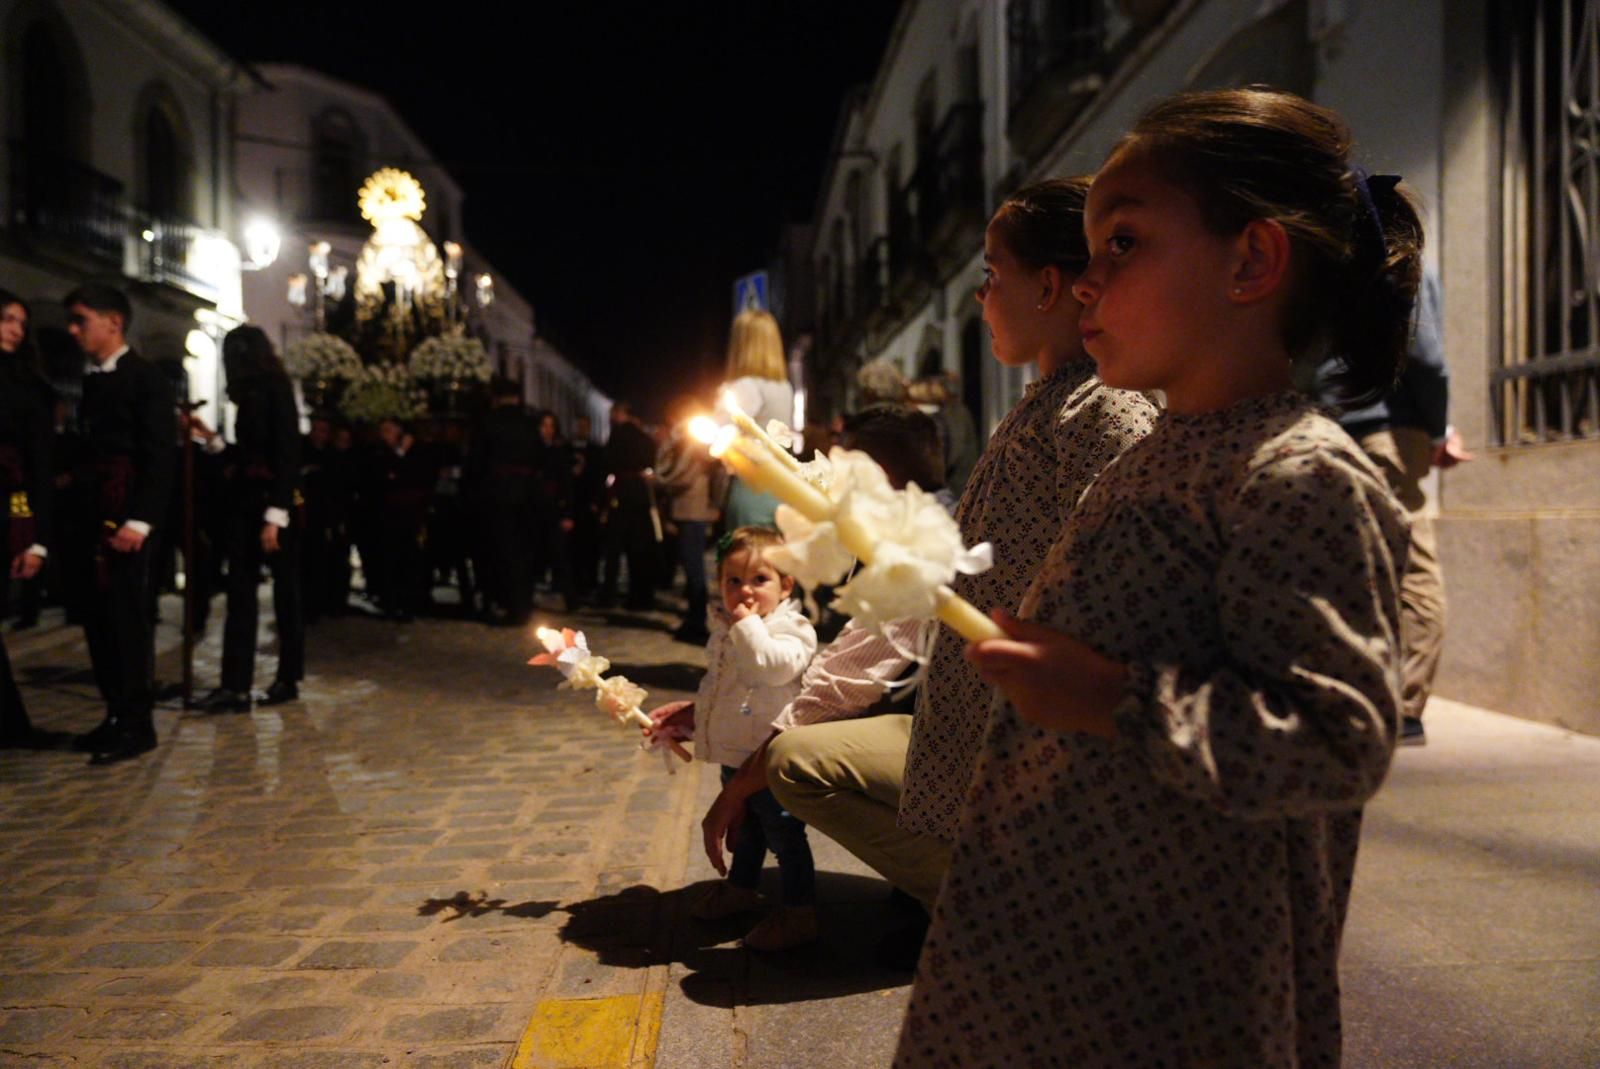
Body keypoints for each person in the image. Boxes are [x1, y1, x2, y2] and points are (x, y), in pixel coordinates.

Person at [893, 88, 1417, 1069]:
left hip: (1172, 983)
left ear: (1251, 260)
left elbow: (1338, 739)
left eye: (1123, 244)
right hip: (1065, 944)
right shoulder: (1159, 450)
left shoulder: (1293, 472)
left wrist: (1112, 696)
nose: (1084, 283)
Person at [707, 181, 1159, 970]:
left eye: (991, 273)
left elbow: (1118, 608)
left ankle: (983, 901)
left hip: (1025, 758)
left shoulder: (1101, 412)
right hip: (975, 740)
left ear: (1048, 286)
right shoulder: (1036, 409)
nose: (981, 295)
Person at [1312, 269, 1469, 745]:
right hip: (1386, 429)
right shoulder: (1402, 260)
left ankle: (1368, 697)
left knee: (1349, 563)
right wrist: (1439, 431)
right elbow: (1426, 358)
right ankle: (1403, 707)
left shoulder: (1325, 258)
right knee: (1411, 565)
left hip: (1332, 426)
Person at [644, 526, 820, 950]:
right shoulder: (727, 629)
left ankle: (800, 911)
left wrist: (746, 628)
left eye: (760, 580)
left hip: (769, 757)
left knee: (784, 836)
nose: (745, 592)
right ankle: (741, 888)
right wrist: (692, 720)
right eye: (733, 581)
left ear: (786, 584)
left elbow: (768, 669)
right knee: (746, 830)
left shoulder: (792, 628)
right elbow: (719, 687)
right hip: (735, 754)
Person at [65, 283, 175, 762]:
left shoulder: (146, 379)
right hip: (94, 513)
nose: (74, 330)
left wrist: (141, 519)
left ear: (113, 322)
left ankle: (137, 722)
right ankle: (114, 712)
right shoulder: (94, 379)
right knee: (98, 618)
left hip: (126, 513)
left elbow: (159, 457)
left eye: (81, 320)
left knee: (128, 620)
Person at [195, 326, 304, 712]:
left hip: (273, 506)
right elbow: (248, 456)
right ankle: (235, 684)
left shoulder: (275, 388)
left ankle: (288, 677)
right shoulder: (248, 395)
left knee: (285, 592)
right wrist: (212, 440)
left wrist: (276, 515)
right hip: (246, 505)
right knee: (240, 591)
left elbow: (287, 452)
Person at [0, 291, 60, 748]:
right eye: (6, 319)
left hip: (8, 510)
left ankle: (14, 727)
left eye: (21, 321)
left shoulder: (29, 388)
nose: (15, 329)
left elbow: (40, 467)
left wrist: (36, 540)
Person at [466, 378, 539, 624]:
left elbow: (476, 461)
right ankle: (525, 603)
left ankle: (507, 603)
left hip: (497, 493)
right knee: (525, 550)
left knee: (502, 551)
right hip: (527, 493)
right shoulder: (530, 423)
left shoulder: (489, 422)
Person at [718, 309, 794, 528]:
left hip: (752, 487)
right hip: (784, 487)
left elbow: (720, 430)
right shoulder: (783, 387)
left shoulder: (745, 386)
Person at [655, 394, 718, 644]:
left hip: (691, 509)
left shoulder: (695, 441)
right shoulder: (687, 440)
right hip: (687, 509)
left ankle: (697, 621)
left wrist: (666, 484)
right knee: (691, 565)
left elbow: (681, 473)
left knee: (694, 567)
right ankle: (694, 617)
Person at [598, 401, 658, 610]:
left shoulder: (618, 435)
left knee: (614, 548)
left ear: (622, 413)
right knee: (638, 549)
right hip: (640, 494)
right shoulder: (645, 438)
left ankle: (608, 594)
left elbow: (607, 462)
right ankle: (641, 596)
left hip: (622, 494)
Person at [532, 410, 577, 610]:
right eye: (544, 425)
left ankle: (569, 596)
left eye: (551, 426)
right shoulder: (531, 451)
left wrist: (567, 513)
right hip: (533, 508)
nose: (547, 430)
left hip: (553, 509)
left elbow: (566, 484)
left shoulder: (559, 452)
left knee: (559, 555)